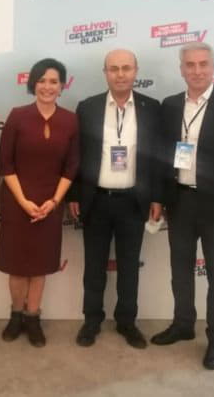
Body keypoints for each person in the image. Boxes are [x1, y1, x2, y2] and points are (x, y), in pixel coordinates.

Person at [151, 42, 214, 370]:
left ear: (213, 67)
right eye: (190, 65)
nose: (197, 71)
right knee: (180, 270)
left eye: (203, 64)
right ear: (181, 69)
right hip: (180, 202)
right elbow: (161, 156)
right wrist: (158, 198)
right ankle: (183, 324)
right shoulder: (170, 105)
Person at [67, 49, 162, 348]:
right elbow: (76, 154)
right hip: (96, 200)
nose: (120, 74)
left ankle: (127, 322)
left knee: (129, 267)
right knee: (94, 266)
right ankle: (91, 321)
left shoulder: (152, 108)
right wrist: (74, 194)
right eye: (114, 68)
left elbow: (158, 159)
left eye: (126, 68)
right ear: (105, 72)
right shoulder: (88, 107)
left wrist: (157, 198)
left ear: (136, 71)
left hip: (134, 202)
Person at [0, 58, 79, 347]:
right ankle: (16, 315)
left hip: (50, 204)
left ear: (62, 85)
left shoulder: (70, 120)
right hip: (17, 201)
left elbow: (72, 167)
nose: (47, 86)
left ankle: (33, 318)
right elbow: (5, 164)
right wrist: (23, 201)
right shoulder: (18, 116)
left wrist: (54, 202)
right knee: (17, 266)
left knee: (40, 265)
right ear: (33, 83)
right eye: (42, 80)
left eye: (53, 81)